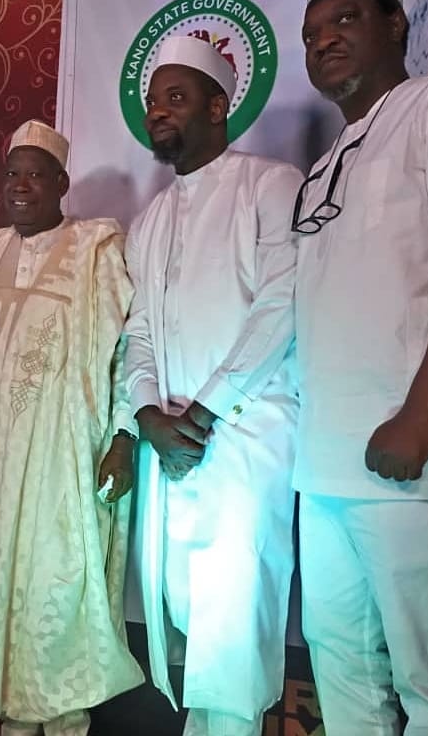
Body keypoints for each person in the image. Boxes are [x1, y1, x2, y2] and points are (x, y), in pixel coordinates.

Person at [0, 119, 144, 736]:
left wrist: (122, 437)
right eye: (12, 174)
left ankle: (67, 721)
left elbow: (127, 350)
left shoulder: (96, 247)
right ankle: (14, 720)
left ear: (61, 184)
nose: (20, 186)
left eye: (35, 175)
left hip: (62, 458)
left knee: (57, 586)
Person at [124, 36, 303, 736]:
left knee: (234, 628)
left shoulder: (270, 183)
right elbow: (137, 331)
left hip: (243, 440)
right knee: (188, 617)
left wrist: (201, 413)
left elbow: (283, 304)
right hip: (170, 447)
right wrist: (146, 411)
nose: (158, 112)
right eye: (152, 102)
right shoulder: (150, 220)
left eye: (176, 97)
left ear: (219, 104)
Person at [295, 0, 428, 733]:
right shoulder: (323, 165)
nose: (324, 40)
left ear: (396, 24)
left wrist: (419, 418)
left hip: (405, 460)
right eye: (311, 34)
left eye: (345, 20)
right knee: (344, 674)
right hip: (321, 464)